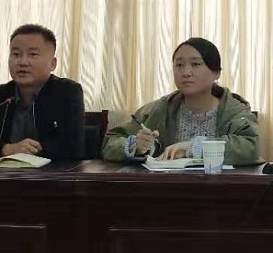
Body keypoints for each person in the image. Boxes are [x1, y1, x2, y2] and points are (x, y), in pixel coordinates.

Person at [102, 37, 260, 165]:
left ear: (216, 72)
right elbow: (111, 141)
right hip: (166, 189)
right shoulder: (157, 110)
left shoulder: (235, 112)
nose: (186, 72)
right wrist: (135, 145)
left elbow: (250, 147)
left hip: (222, 190)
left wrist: (194, 148)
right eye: (179, 65)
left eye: (195, 64)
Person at [0, 24, 84, 160]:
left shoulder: (66, 93)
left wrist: (31, 151)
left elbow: (73, 149)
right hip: (0, 173)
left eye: (33, 54)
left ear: (53, 63)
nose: (22, 62)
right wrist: (6, 149)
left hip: (52, 173)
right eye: (16, 54)